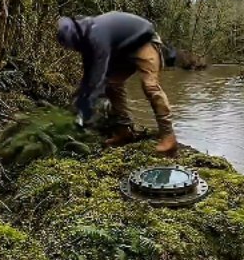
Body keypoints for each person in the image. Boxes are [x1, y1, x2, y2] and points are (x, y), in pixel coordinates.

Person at [57, 11, 178, 155]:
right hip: (123, 49)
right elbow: (89, 75)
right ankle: (124, 131)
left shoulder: (96, 34)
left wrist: (83, 107)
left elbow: (97, 76)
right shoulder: (86, 36)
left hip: (146, 42)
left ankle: (168, 137)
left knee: (150, 86)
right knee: (112, 85)